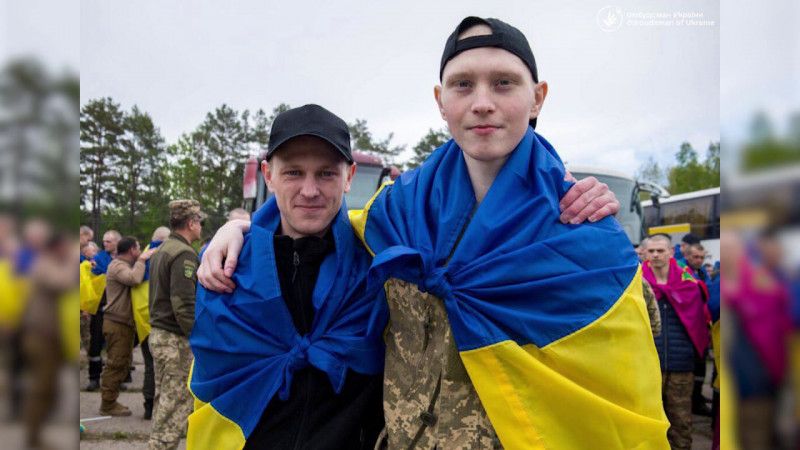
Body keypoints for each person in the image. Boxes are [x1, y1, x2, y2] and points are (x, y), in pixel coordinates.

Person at [199, 17, 668, 449]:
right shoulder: (397, 213)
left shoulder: (579, 228)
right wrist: (242, 226)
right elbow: (323, 225)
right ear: (441, 101)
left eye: (503, 82)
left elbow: (627, 360)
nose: (482, 102)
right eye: (463, 84)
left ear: (538, 97)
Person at [189, 105, 386, 450]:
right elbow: (211, 376)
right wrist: (236, 228)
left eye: (326, 174)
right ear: (268, 174)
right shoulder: (229, 268)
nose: (310, 190)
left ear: (349, 177)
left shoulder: (376, 261)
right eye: (294, 172)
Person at [148, 200, 205, 450]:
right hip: (175, 339)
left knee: (165, 399)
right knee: (175, 403)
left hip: (162, 335)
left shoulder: (164, 248)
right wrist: (198, 338)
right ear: (191, 223)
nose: (201, 227)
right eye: (200, 222)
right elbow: (183, 303)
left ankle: (159, 442)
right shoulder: (183, 254)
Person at [643, 234, 709, 450]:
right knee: (649, 419)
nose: (655, 255)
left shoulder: (688, 284)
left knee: (681, 422)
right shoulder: (637, 284)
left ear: (671, 252)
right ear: (645, 253)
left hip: (681, 364)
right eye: (651, 251)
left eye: (660, 250)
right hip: (648, 365)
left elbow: (698, 323)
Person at [20, 232, 74, 449]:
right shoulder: (44, 264)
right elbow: (62, 282)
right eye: (65, 247)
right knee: (41, 388)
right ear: (56, 248)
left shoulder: (52, 263)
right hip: (40, 337)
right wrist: (73, 261)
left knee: (50, 388)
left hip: (53, 338)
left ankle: (36, 433)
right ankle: (32, 437)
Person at [99, 236, 156, 416]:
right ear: (132, 250)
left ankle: (111, 400)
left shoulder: (123, 265)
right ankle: (107, 404)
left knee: (123, 363)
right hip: (117, 323)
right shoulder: (117, 266)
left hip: (123, 323)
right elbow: (134, 279)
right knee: (116, 364)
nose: (140, 251)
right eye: (138, 248)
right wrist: (142, 260)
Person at [135, 225, 170, 420]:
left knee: (150, 366)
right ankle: (162, 409)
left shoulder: (142, 257)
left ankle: (148, 406)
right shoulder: (167, 255)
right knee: (167, 369)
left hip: (143, 320)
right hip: (163, 321)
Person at [86, 229, 121, 391]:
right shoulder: (99, 257)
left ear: (117, 242)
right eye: (104, 241)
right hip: (100, 307)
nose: (105, 243)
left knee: (118, 344)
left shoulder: (124, 257)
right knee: (95, 343)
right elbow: (92, 275)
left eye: (108, 241)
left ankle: (118, 378)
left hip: (119, 308)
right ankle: (94, 378)